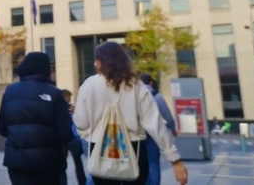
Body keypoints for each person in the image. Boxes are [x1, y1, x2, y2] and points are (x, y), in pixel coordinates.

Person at [74, 42, 188, 185]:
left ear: (104, 61)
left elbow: (81, 122)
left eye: (98, 59)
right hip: (134, 150)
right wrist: (174, 159)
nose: (95, 64)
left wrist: (90, 134)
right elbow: (154, 123)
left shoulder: (88, 85)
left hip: (99, 149)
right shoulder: (136, 85)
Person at [0, 52, 73, 185]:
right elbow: (65, 134)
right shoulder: (55, 93)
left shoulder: (10, 91)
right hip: (48, 164)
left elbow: (2, 129)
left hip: (17, 163)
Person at [140, 74, 177, 185]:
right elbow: (168, 116)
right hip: (153, 135)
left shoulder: (136, 94)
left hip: (139, 135)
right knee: (154, 164)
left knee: (141, 164)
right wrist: (172, 128)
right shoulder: (157, 97)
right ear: (151, 82)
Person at [62, 89, 87, 185]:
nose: (69, 99)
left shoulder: (72, 108)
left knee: (72, 163)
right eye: (68, 97)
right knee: (77, 162)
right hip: (72, 138)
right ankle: (82, 182)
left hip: (69, 138)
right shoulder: (68, 109)